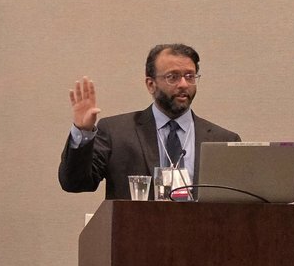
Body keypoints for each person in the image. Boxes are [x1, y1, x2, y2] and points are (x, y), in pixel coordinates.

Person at [58, 43, 240, 199]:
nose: (184, 84)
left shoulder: (224, 141)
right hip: (136, 236)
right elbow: (75, 183)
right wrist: (82, 132)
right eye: (173, 77)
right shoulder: (116, 132)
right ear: (150, 84)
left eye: (190, 76)